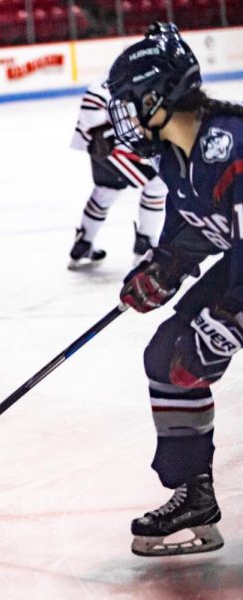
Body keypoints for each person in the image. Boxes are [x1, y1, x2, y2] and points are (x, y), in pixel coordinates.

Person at [106, 24, 243, 557]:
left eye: (129, 103)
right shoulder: (174, 157)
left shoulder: (230, 143)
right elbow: (191, 235)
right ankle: (194, 496)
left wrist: (230, 321)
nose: (123, 116)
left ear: (156, 96)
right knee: (169, 355)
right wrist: (160, 270)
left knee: (205, 340)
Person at [68, 76, 168, 270]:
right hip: (112, 147)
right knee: (157, 180)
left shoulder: (103, 81)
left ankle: (83, 242)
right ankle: (145, 243)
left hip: (96, 147)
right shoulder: (135, 80)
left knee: (107, 189)